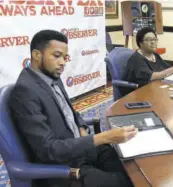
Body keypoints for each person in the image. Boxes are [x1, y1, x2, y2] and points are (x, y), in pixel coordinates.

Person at [9, 30, 138, 187]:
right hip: (64, 167)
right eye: (57, 56)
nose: (63, 62)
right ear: (36, 55)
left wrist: (82, 126)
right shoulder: (25, 91)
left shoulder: (51, 76)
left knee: (132, 169)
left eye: (65, 57)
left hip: (80, 148)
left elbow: (70, 113)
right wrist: (103, 137)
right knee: (126, 182)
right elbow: (47, 150)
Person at [120, 27, 173, 96]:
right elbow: (151, 76)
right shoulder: (137, 59)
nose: (153, 42)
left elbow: (166, 69)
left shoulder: (155, 55)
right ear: (140, 43)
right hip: (138, 94)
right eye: (148, 40)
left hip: (155, 90)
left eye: (154, 39)